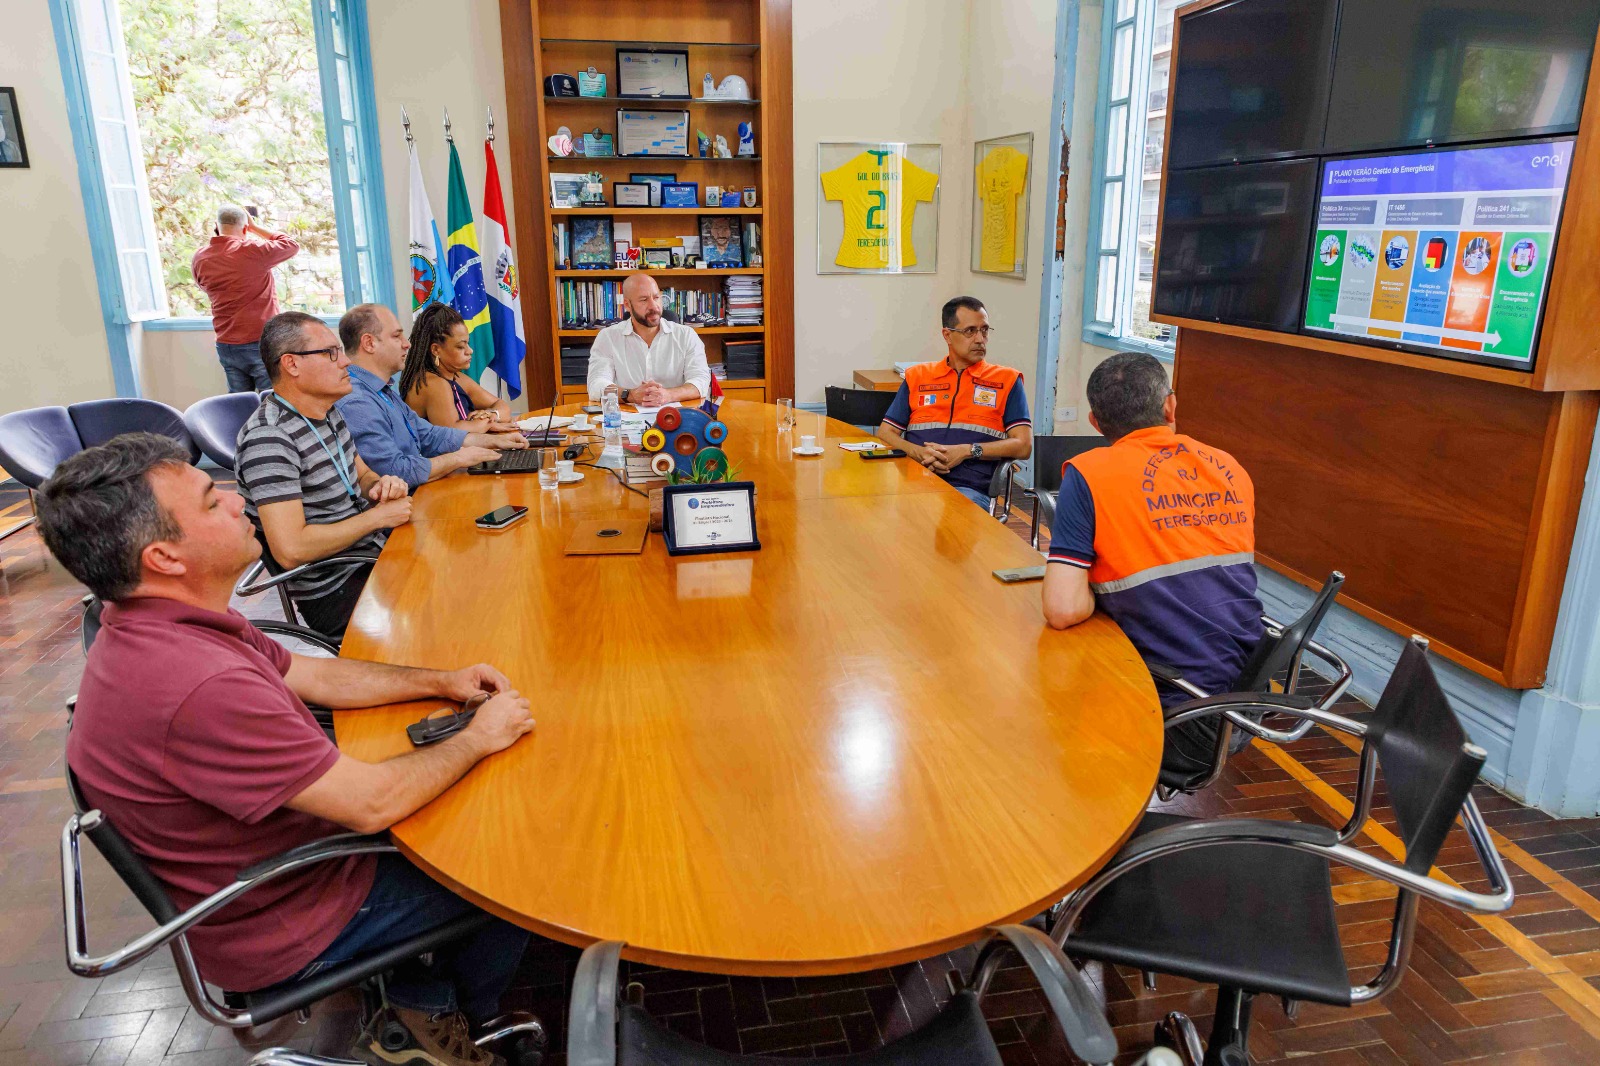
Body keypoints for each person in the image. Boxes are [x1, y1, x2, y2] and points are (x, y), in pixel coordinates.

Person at [39, 432, 536, 1066]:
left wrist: (441, 680)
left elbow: (312, 674)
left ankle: (425, 990)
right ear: (163, 556)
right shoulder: (196, 683)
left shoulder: (167, 620)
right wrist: (477, 736)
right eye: (209, 501)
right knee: (513, 865)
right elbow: (368, 804)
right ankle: (437, 1019)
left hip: (279, 868)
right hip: (288, 911)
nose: (235, 497)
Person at [1041, 351, 1264, 777]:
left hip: (1174, 711)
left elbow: (1063, 609)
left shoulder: (1088, 474)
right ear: (1170, 406)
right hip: (1243, 695)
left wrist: (1093, 585)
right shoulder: (1230, 468)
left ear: (1094, 423)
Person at [235, 312, 415, 639]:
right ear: (292, 364)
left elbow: (362, 474)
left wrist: (381, 485)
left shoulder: (326, 411)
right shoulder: (269, 439)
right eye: (331, 353)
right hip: (337, 587)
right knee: (449, 605)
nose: (345, 362)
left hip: (370, 554)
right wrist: (377, 519)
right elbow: (291, 549)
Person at [336, 304, 524, 491]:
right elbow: (395, 471)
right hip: (407, 503)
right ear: (369, 343)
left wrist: (492, 441)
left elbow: (429, 434)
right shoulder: (357, 401)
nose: (406, 343)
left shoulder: (383, 391)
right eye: (396, 336)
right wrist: (460, 457)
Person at [876, 296, 1033, 510]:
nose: (980, 339)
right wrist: (918, 452)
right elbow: (885, 433)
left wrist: (967, 450)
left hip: (968, 488)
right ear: (947, 335)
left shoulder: (1007, 380)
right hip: (913, 481)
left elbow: (1023, 446)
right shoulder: (918, 376)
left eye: (985, 330)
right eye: (970, 331)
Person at [192, 206, 300, 393]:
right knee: (275, 403)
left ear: (217, 226)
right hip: (258, 341)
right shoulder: (253, 251)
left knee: (239, 406)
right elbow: (291, 245)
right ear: (244, 228)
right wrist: (255, 228)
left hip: (226, 344)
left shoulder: (200, 257)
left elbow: (202, 286)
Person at [586, 272, 712, 407]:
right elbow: (596, 385)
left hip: (676, 418)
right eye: (644, 300)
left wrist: (668, 395)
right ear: (627, 305)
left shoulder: (686, 335)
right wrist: (630, 395)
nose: (654, 306)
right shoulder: (608, 337)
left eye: (656, 297)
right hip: (626, 418)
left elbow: (701, 381)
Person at [400, 302, 520, 433]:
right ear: (436, 349)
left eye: (467, 344)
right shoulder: (433, 384)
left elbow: (502, 406)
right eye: (460, 346)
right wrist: (489, 423)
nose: (470, 351)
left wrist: (492, 414)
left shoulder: (456, 377)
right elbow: (454, 435)